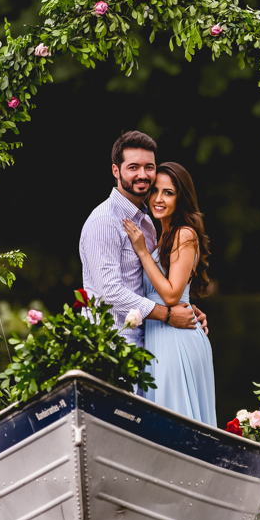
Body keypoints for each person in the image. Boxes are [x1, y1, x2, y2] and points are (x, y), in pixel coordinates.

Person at [79, 131, 208, 354]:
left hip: (147, 340)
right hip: (112, 344)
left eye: (149, 167)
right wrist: (168, 315)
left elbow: (155, 282)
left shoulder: (147, 223)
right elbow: (110, 292)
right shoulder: (105, 221)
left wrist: (184, 308)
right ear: (115, 171)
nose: (143, 174)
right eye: (133, 167)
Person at [121, 162, 216, 427]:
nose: (158, 199)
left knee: (176, 420)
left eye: (168, 193)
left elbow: (173, 295)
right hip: (160, 333)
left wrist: (141, 251)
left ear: (181, 197)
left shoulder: (184, 234)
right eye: (155, 191)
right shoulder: (161, 235)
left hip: (176, 339)